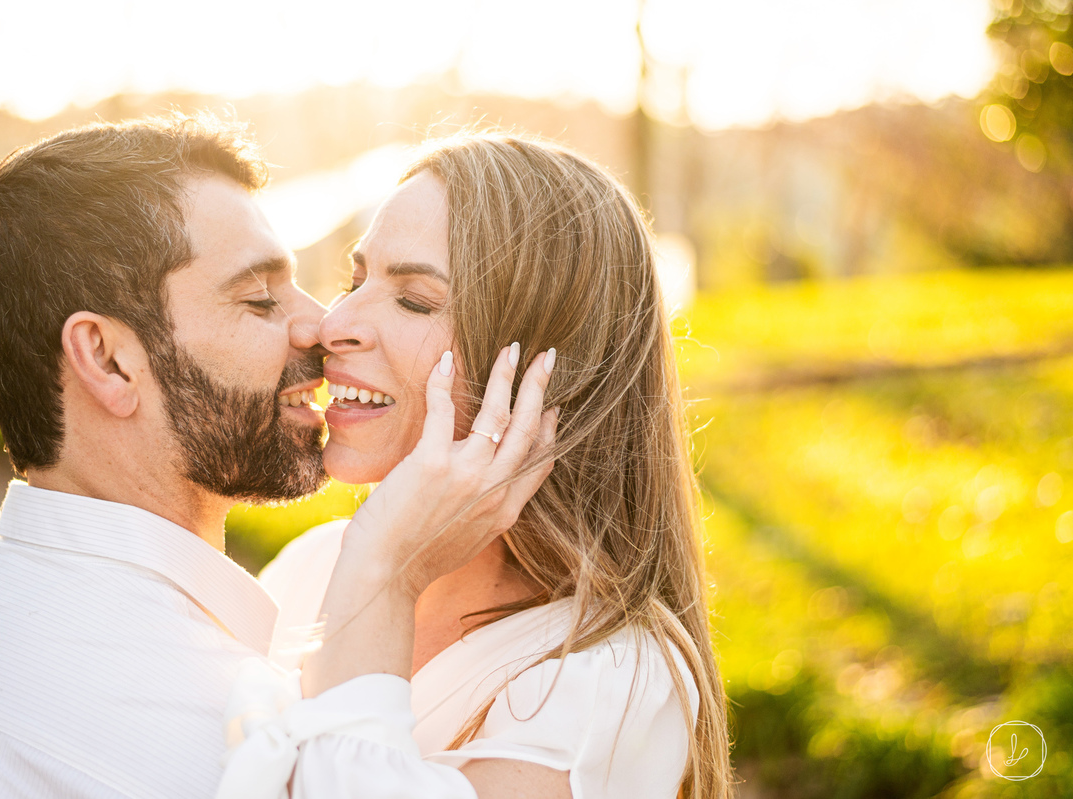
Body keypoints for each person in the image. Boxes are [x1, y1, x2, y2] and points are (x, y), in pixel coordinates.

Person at [0, 116, 553, 799]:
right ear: (108, 359)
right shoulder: (235, 753)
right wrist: (383, 568)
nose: (321, 324)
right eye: (258, 299)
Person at [216, 134, 732, 799]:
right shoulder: (308, 570)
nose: (333, 323)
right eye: (355, 280)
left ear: (546, 371)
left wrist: (384, 573)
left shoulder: (610, 679)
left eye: (415, 300)